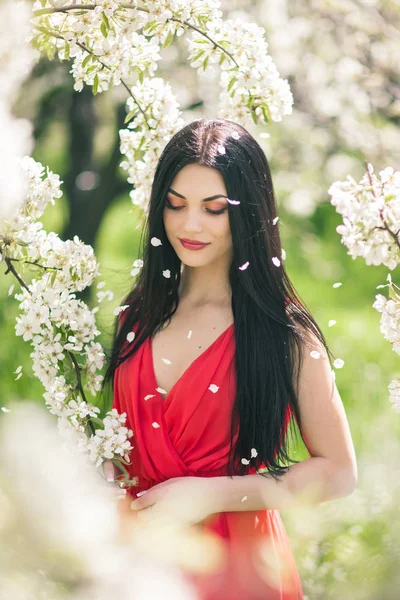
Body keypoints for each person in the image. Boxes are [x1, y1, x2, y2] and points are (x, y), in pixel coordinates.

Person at [102, 118, 357, 599]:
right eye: (175, 206)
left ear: (248, 214)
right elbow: (123, 447)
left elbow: (339, 471)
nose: (189, 225)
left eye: (213, 209)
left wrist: (209, 495)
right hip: (135, 562)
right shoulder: (136, 315)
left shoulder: (284, 335)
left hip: (236, 567)